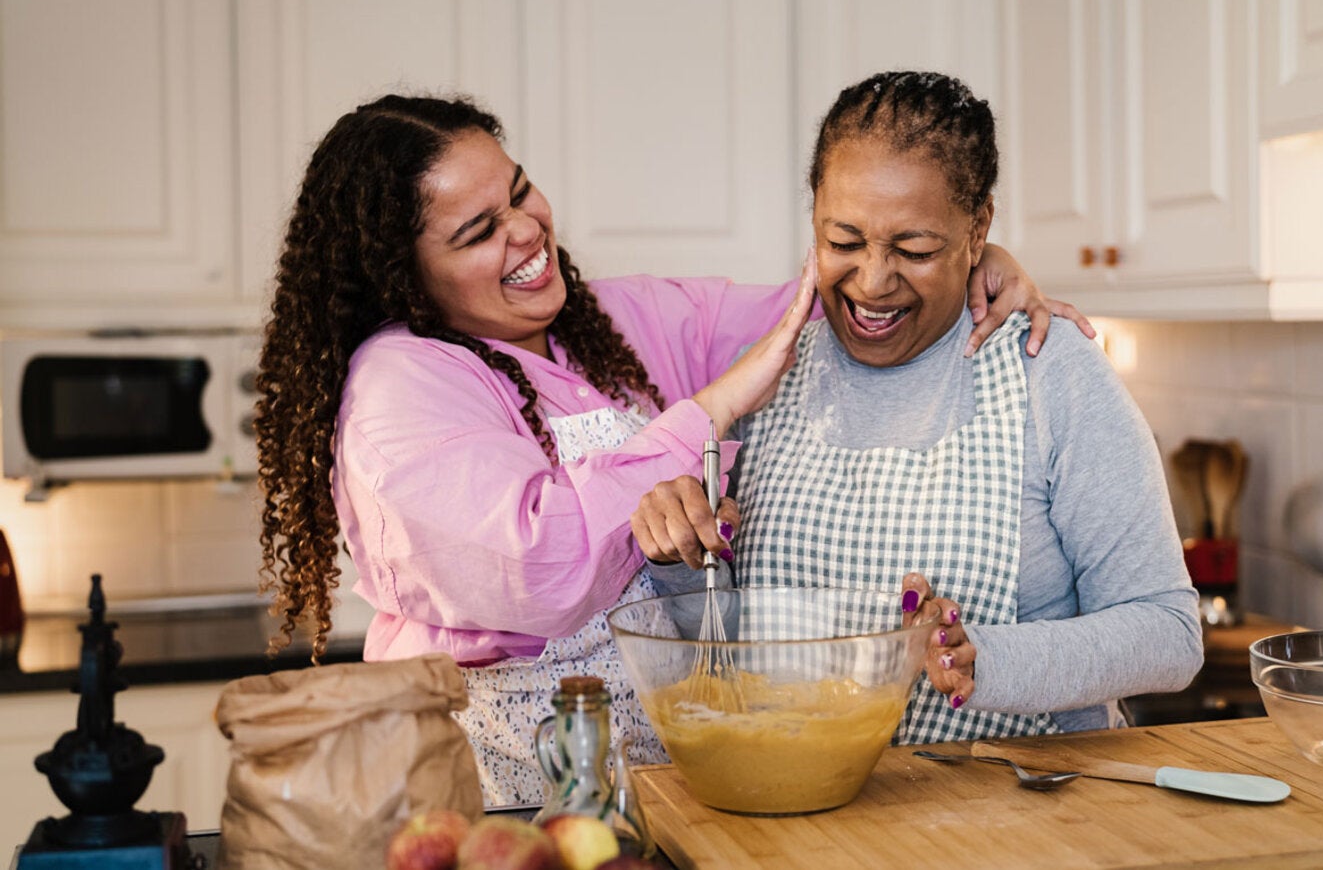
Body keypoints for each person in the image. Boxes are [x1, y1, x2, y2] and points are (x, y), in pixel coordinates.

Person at [253, 93, 1089, 806]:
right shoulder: (399, 385)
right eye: (478, 230)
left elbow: (829, 305)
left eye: (518, 193)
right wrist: (710, 408)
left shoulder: (603, 324)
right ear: (406, 273)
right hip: (506, 791)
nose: (525, 230)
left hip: (659, 772)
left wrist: (965, 261)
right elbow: (541, 567)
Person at [633, 71, 1203, 744]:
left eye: (915, 249)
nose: (872, 281)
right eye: (842, 241)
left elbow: (1169, 633)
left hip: (1020, 825)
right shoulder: (768, 378)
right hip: (807, 820)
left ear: (978, 227)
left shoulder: (1050, 371)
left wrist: (982, 659)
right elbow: (728, 657)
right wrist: (678, 559)